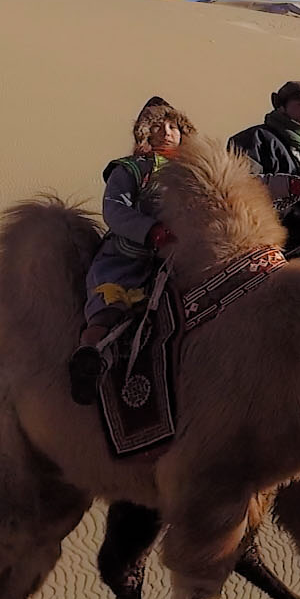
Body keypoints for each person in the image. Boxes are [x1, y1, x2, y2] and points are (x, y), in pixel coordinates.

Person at [68, 96, 195, 405]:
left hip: (181, 258)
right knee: (110, 305)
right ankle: (90, 360)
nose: (166, 132)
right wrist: (150, 230)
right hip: (128, 257)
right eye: (157, 125)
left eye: (173, 125)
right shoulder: (132, 169)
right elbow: (115, 210)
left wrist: (283, 186)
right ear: (144, 132)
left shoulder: (197, 171)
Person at [227, 79, 300, 197]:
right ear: (282, 106)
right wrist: (286, 186)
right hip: (266, 213)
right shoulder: (254, 138)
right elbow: (239, 184)